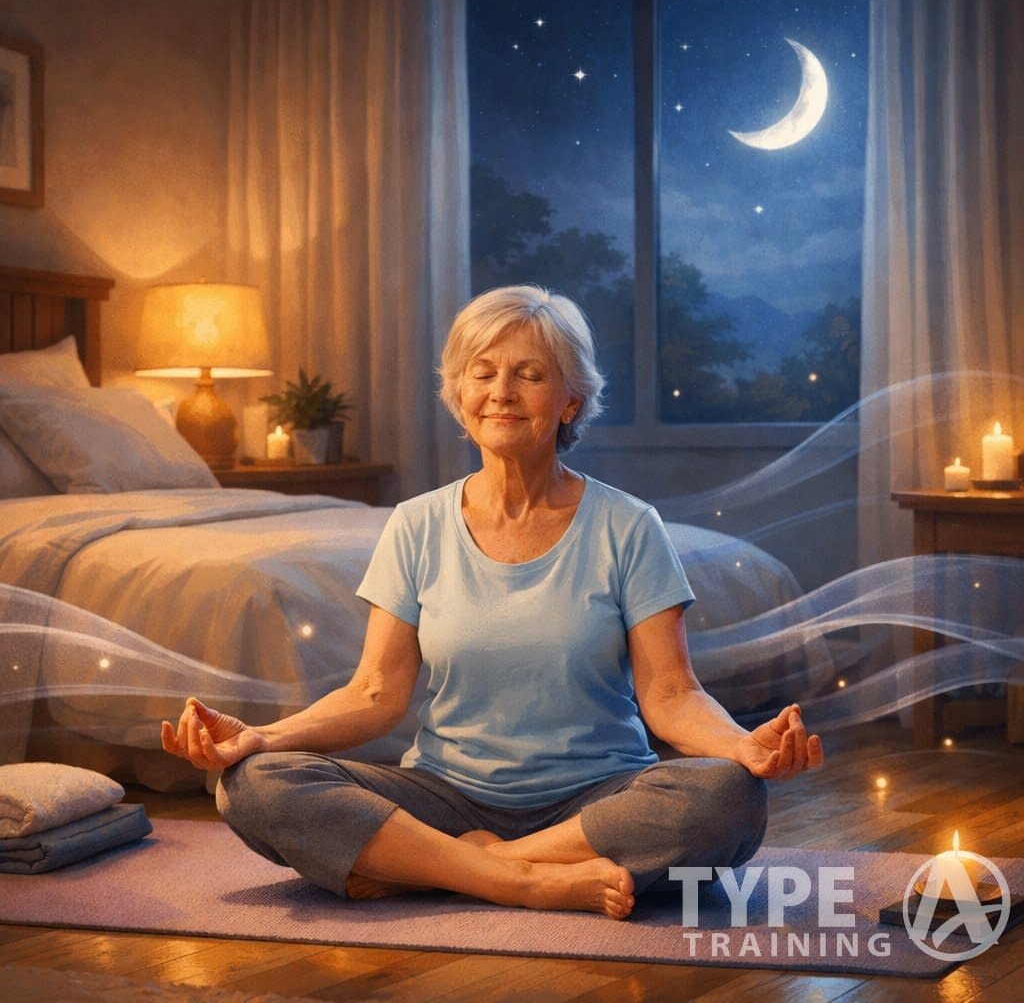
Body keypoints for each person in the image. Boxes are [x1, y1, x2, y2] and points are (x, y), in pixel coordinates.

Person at [162, 284, 824, 920]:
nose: (502, 392)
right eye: (482, 374)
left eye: (529, 375)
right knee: (254, 782)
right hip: (445, 796)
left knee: (728, 795)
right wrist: (263, 737)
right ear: (460, 397)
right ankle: (523, 881)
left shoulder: (629, 526)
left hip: (597, 800)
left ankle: (450, 868)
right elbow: (374, 695)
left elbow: (672, 696)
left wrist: (744, 747)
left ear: (570, 401)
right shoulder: (416, 525)